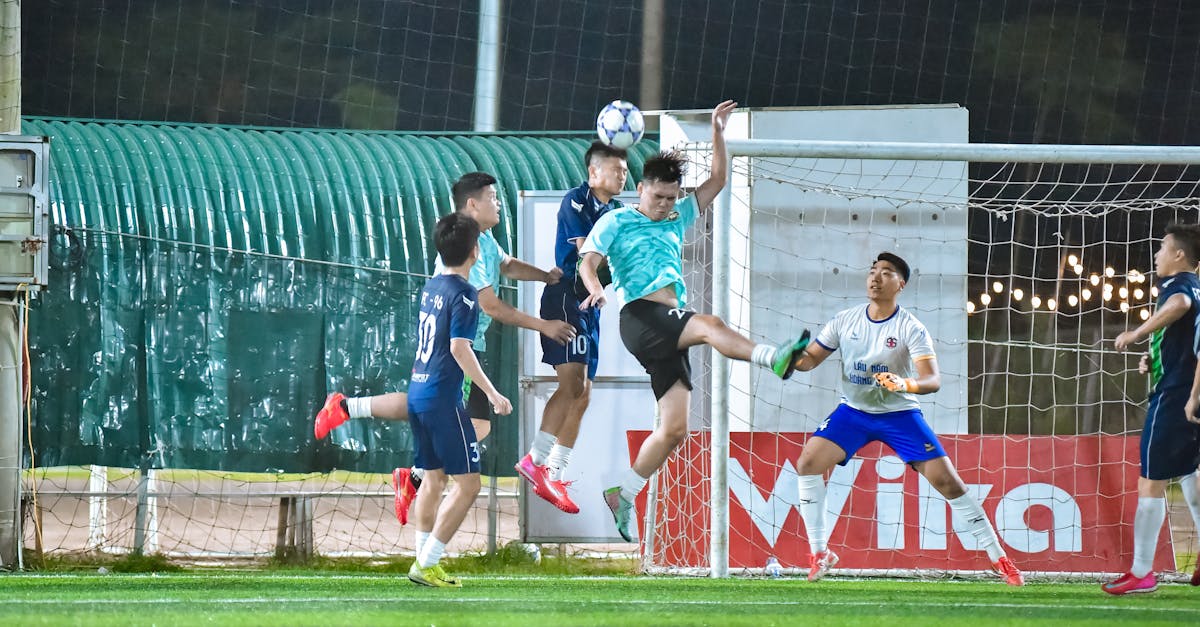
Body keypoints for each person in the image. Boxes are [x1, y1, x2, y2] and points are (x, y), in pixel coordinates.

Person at [577, 100, 810, 542]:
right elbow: (587, 263)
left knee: (674, 430)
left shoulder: (679, 214)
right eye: (657, 196)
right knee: (709, 323)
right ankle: (772, 357)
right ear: (641, 188)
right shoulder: (616, 221)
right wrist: (595, 287)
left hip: (667, 326)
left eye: (671, 198)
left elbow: (719, 179)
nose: (665, 205)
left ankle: (623, 493)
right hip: (641, 316)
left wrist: (719, 131)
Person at [313, 172, 575, 524]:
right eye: (492, 197)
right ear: (472, 204)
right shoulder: (469, 249)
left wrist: (545, 276)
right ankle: (354, 415)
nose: (498, 204)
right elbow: (493, 307)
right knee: (443, 415)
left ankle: (407, 471)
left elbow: (507, 264)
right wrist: (544, 325)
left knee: (472, 423)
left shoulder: (481, 240)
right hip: (455, 347)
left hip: (463, 342)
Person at [788, 252, 1024, 586]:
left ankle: (1000, 559)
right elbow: (810, 360)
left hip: (899, 415)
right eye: (873, 271)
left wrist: (905, 384)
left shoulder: (911, 328)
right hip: (853, 413)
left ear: (901, 284)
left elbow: (932, 380)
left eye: (886, 273)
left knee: (948, 483)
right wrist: (790, 357)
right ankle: (819, 553)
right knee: (808, 462)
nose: (875, 278)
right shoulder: (845, 320)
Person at [516, 141, 630, 514]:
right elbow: (586, 255)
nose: (623, 175)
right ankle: (535, 459)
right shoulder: (576, 201)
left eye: (626, 171)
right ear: (594, 172)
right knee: (573, 385)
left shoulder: (615, 210)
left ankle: (554, 470)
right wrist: (603, 277)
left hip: (590, 306)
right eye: (616, 169)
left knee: (585, 394)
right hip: (568, 298)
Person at [403, 211, 513, 587]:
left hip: (417, 390)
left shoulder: (431, 285)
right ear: (476, 251)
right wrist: (492, 392)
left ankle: (422, 560)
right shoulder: (466, 294)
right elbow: (460, 348)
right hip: (442, 398)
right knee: (469, 486)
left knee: (434, 479)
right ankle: (428, 562)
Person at [1105, 223, 1200, 595]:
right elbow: (1184, 341)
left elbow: (1181, 307)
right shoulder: (1196, 285)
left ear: (1179, 255)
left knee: (1152, 480)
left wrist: (1135, 334)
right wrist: (1153, 356)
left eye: (1162, 248)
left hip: (1175, 397)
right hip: (1183, 389)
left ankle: (1142, 572)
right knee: (1190, 474)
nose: (1157, 254)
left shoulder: (1179, 289)